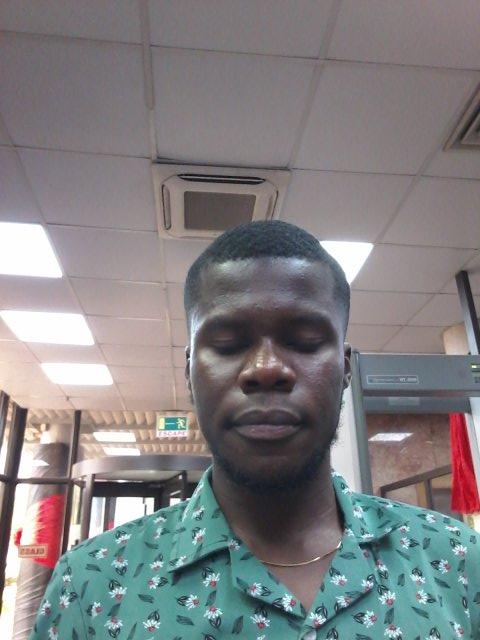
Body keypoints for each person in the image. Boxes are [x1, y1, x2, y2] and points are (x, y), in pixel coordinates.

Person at [29, 221, 479, 640]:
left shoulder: (458, 562)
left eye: (304, 341)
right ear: (190, 371)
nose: (266, 369)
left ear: (345, 368)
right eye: (228, 344)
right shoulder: (90, 587)